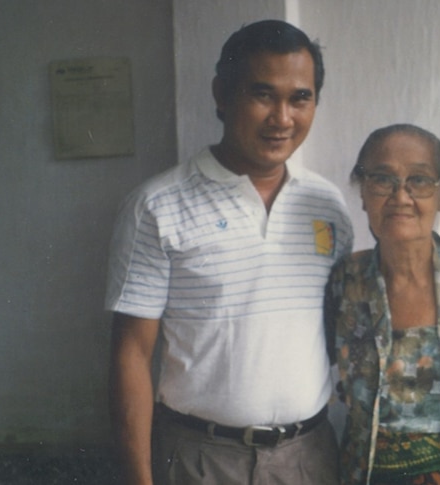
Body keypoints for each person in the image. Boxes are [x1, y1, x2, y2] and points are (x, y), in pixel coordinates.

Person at [106, 20, 353, 485]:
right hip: (201, 460)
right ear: (222, 95)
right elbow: (130, 356)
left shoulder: (328, 205)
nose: (282, 118)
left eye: (300, 97)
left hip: (310, 458)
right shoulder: (157, 206)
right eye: (263, 95)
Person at [325, 124, 440, 485]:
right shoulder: (345, 281)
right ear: (362, 192)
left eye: (420, 180)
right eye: (382, 179)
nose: (401, 196)